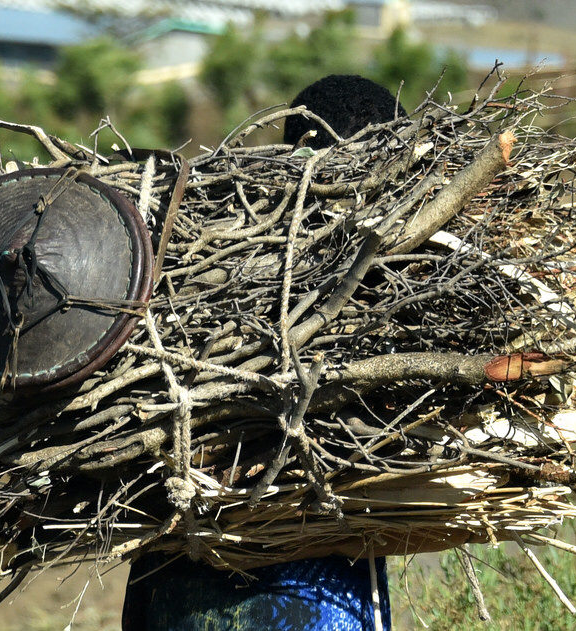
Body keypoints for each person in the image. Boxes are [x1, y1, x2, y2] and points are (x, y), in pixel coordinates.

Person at [122, 75, 405, 631]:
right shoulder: (394, 274)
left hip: (173, 585)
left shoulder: (189, 251)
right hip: (319, 597)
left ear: (293, 143)